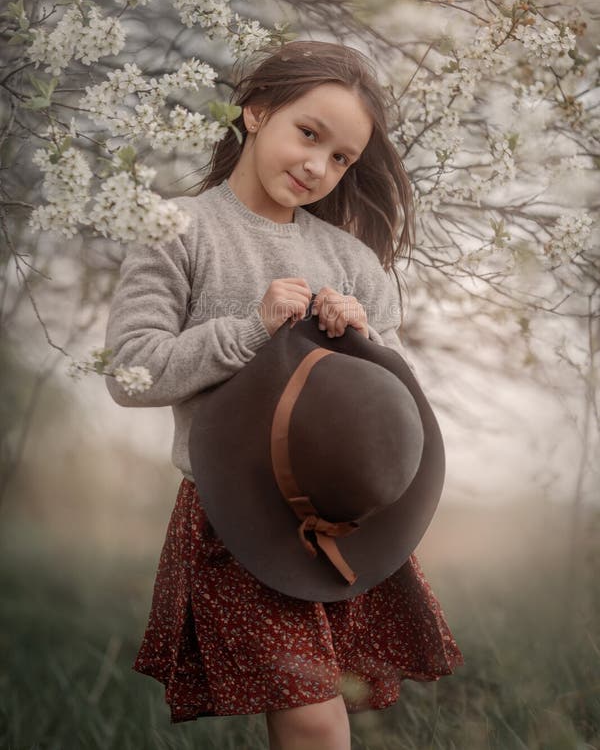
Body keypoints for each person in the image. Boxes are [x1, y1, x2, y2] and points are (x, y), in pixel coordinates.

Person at [104, 40, 464, 749]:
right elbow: (130, 370)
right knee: (310, 714)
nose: (317, 167)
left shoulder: (353, 262)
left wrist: (366, 338)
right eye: (309, 134)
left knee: (324, 705)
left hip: (343, 513)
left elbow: (395, 400)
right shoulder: (178, 233)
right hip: (238, 514)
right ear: (256, 110)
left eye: (340, 160)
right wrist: (249, 328)